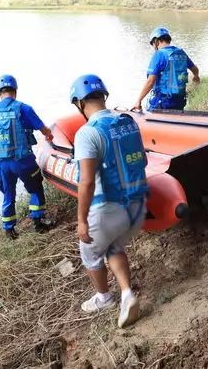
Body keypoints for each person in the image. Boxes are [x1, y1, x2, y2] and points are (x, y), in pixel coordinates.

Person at [71, 74, 146, 328]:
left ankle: (104, 297)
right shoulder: (128, 122)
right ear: (103, 96)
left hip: (109, 210)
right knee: (113, 246)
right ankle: (127, 294)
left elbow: (87, 182)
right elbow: (142, 161)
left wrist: (81, 220)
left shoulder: (88, 133)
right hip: (138, 207)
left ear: (80, 103)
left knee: (90, 253)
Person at [0, 74, 55, 239]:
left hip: (2, 163)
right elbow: (43, 129)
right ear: (15, 91)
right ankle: (38, 222)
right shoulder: (23, 108)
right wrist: (49, 136)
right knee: (35, 188)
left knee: (8, 194)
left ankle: (9, 229)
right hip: (23, 161)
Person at [133, 27, 200, 111]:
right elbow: (194, 69)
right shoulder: (181, 53)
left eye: (152, 43)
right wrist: (196, 77)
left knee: (150, 115)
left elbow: (150, 81)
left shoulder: (159, 54)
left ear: (156, 41)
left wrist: (138, 101)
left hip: (164, 100)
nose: (153, 46)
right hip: (180, 100)